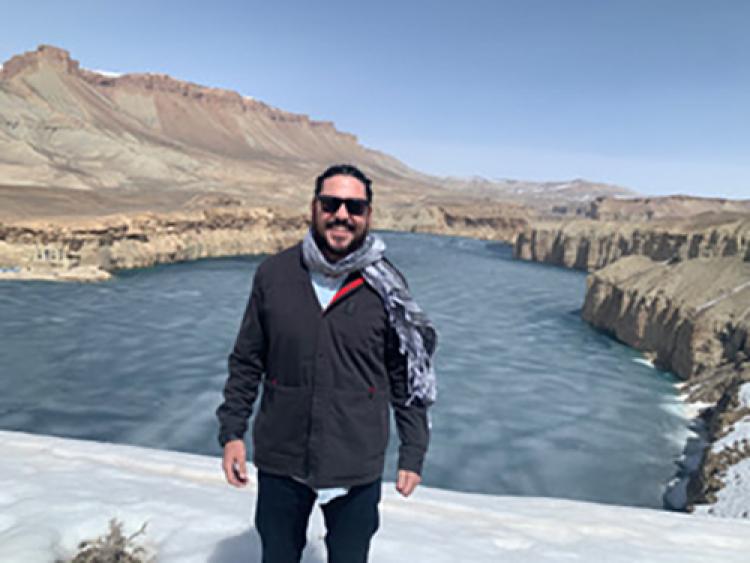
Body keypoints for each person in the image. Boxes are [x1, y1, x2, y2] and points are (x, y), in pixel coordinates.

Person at [216, 163, 437, 563]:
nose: (342, 215)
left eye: (354, 207)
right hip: (283, 457)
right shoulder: (275, 275)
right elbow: (247, 361)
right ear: (314, 208)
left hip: (356, 462)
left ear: (368, 216)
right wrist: (232, 432)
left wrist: (413, 450)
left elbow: (406, 375)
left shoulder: (387, 288)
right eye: (331, 203)